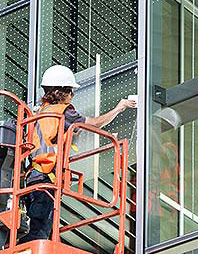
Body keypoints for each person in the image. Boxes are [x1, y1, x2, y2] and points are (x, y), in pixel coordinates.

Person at [21, 65, 136, 243]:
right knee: (40, 232)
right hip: (46, 177)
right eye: (71, 92)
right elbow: (94, 123)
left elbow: (51, 137)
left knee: (39, 226)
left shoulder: (39, 113)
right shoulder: (63, 112)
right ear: (62, 93)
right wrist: (118, 108)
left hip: (31, 177)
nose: (72, 96)